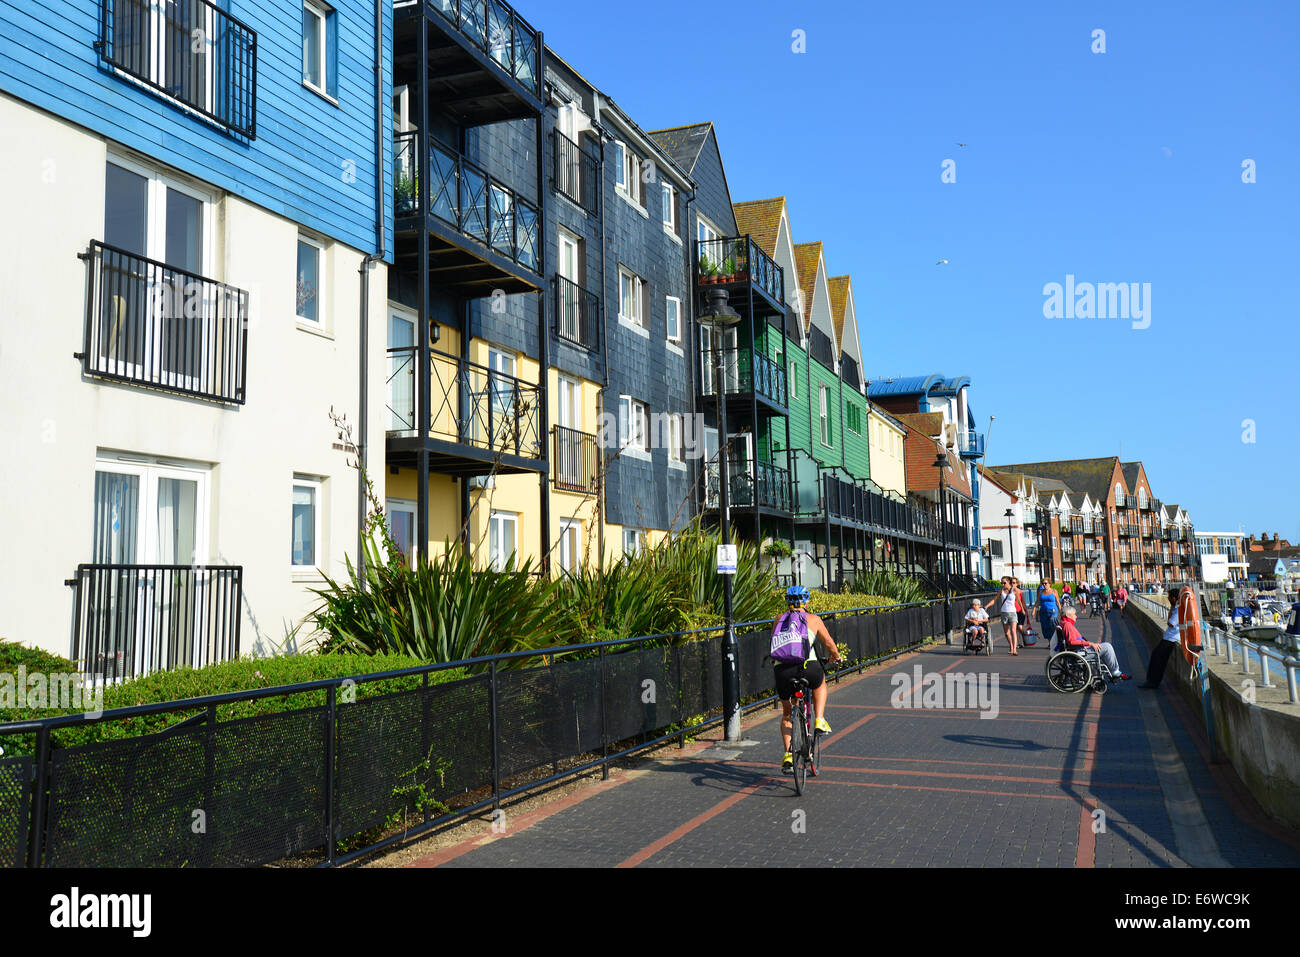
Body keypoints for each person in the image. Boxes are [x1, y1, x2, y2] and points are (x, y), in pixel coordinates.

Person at [773, 586, 842, 772]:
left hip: (783, 671)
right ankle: (819, 719)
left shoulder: (779, 619)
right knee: (819, 684)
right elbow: (829, 644)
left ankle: (788, 753)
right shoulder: (813, 619)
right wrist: (836, 656)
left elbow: (772, 647)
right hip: (807, 667)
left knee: (787, 713)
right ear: (807, 602)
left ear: (787, 602)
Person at [1056, 604, 1130, 680]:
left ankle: (1110, 671)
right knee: (1107, 647)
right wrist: (1090, 643)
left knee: (1101, 648)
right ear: (1068, 615)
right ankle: (1115, 672)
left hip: (1076, 650)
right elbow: (1072, 642)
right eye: (1074, 614)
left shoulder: (1063, 623)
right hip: (1078, 653)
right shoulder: (1068, 625)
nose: (1076, 616)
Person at [1139, 588, 1183, 689]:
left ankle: (1153, 682)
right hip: (1168, 638)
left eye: (1169, 597)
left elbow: (1170, 623)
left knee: (1159, 660)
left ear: (1174, 598)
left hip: (1171, 639)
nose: (1167, 598)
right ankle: (1151, 680)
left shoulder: (1178, 610)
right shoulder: (1177, 608)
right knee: (1156, 656)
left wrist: (1172, 608)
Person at [993, 577, 1020, 654]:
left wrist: (1022, 609)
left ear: (1009, 582)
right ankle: (1011, 646)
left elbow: (1018, 600)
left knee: (1013, 631)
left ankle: (1014, 649)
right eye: (1002, 583)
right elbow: (994, 600)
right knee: (1007, 633)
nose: (1003, 584)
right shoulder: (1001, 591)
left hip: (1012, 612)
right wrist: (986, 606)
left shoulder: (1014, 590)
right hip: (1004, 612)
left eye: (1004, 583)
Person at [1014, 577, 1035, 645]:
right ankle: (1018, 643)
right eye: (1011, 583)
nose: (1012, 584)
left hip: (1020, 610)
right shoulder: (1009, 592)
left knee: (1019, 627)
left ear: (1017, 584)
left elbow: (1023, 602)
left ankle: (1023, 635)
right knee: (1015, 628)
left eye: (1014, 583)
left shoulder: (1021, 592)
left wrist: (1025, 610)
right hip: (1012, 611)